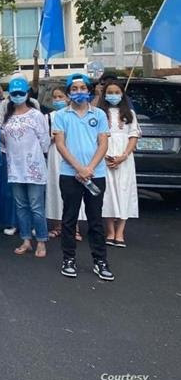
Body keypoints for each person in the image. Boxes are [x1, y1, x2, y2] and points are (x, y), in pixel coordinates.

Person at [53, 73, 114, 281]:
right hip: (70, 174)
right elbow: (60, 144)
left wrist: (89, 168)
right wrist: (79, 168)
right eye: (74, 89)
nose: (79, 92)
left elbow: (103, 143)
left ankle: (100, 261)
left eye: (82, 88)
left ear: (89, 90)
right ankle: (68, 259)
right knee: (69, 218)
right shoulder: (61, 115)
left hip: (95, 174)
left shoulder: (99, 114)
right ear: (69, 93)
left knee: (95, 220)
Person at [0, 78, 51, 258]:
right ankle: (26, 240)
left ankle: (42, 241)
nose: (17, 96)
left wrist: (36, 157)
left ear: (27, 94)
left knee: (37, 207)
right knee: (21, 206)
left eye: (21, 93)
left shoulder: (36, 115)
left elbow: (45, 141)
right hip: (15, 168)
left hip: (34, 167)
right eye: (14, 94)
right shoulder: (8, 115)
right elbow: (4, 141)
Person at [98, 81, 140, 247]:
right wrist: (106, 155)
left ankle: (120, 231)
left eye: (116, 92)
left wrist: (123, 156)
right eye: (110, 92)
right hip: (104, 157)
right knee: (107, 193)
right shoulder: (99, 113)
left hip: (124, 159)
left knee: (124, 192)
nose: (113, 95)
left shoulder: (129, 113)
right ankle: (110, 230)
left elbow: (133, 136)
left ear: (122, 94)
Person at [45, 87, 85, 239]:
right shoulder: (49, 116)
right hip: (55, 154)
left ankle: (73, 226)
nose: (57, 100)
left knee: (72, 189)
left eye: (60, 96)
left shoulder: (74, 114)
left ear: (68, 97)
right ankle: (57, 225)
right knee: (55, 186)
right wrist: (51, 138)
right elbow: (44, 138)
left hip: (72, 152)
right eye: (54, 97)